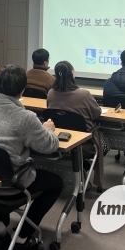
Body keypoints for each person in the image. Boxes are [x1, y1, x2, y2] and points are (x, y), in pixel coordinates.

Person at [0, 65, 63, 250]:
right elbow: (49, 146)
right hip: (12, 182)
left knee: (0, 162)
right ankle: (23, 235)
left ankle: (0, 222)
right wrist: (48, 130)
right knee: (56, 183)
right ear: (23, 90)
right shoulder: (26, 118)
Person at [47, 61, 110, 189]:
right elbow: (96, 113)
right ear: (72, 74)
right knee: (106, 144)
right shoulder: (84, 94)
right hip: (85, 142)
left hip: (61, 137)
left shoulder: (51, 93)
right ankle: (84, 166)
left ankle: (81, 166)